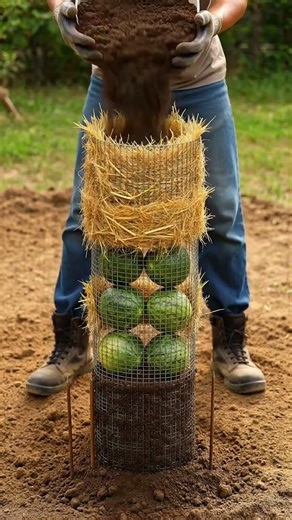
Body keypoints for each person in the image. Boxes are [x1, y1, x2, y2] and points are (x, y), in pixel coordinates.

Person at [26, 0, 266, 396]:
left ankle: (230, 343)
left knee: (222, 210)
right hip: (114, 77)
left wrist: (214, 23)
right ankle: (71, 342)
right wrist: (62, 12)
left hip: (200, 84)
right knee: (86, 211)